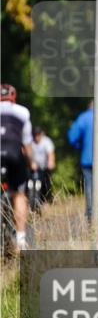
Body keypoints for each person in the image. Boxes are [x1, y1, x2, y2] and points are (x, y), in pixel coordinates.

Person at [0, 84, 33, 251]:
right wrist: (31, 162)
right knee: (19, 194)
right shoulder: (22, 112)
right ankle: (21, 240)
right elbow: (26, 144)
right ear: (13, 97)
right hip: (13, 154)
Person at [30, 127, 57, 205]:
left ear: (41, 134)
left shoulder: (46, 141)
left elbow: (50, 153)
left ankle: (46, 201)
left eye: (38, 135)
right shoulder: (31, 141)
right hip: (33, 166)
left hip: (44, 167)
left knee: (46, 184)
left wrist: (51, 162)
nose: (36, 137)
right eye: (35, 135)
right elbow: (26, 151)